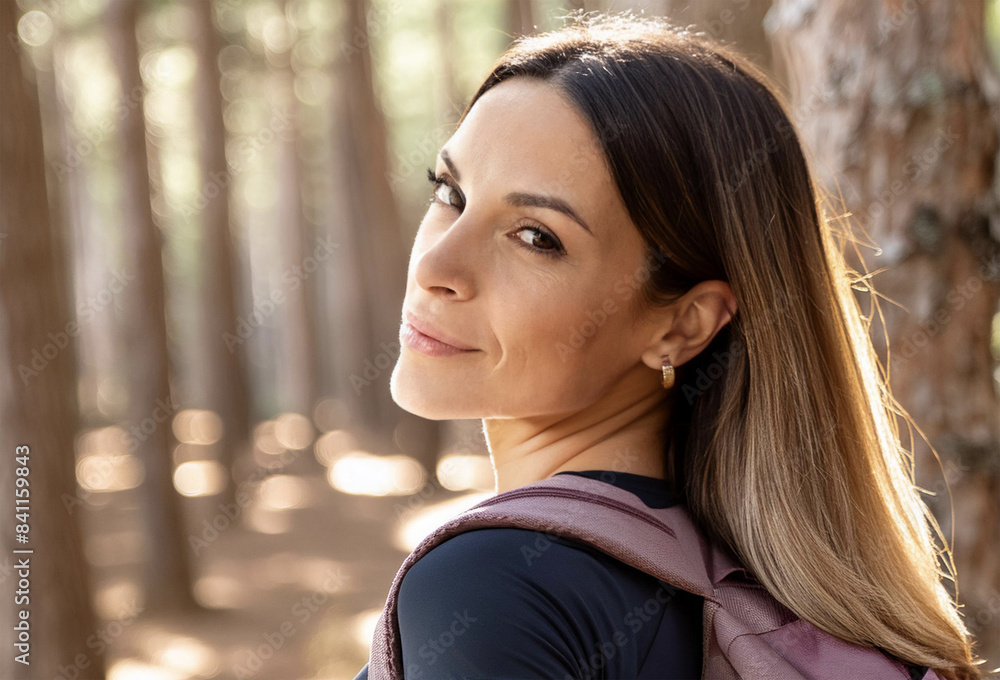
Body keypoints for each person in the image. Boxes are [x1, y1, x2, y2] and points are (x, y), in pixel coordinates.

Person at [356, 10, 985, 680]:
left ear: (683, 325)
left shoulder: (490, 587)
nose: (435, 268)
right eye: (449, 192)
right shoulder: (754, 594)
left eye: (537, 236)